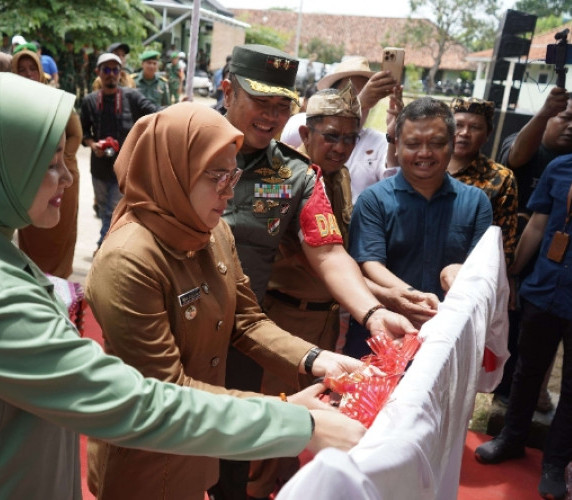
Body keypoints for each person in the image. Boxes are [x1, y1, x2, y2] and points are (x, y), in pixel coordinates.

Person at [0, 62, 363, 500]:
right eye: (45, 164)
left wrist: (310, 365)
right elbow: (135, 401)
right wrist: (295, 423)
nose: (68, 177)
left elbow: (243, 320)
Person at [86, 101, 367, 500]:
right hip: (146, 460)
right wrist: (292, 416)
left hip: (200, 449)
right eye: (216, 176)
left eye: (232, 174)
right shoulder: (128, 260)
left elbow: (247, 320)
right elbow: (166, 392)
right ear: (173, 172)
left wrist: (316, 359)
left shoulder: (211, 231)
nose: (230, 191)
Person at [211, 43, 417, 500]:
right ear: (228, 91)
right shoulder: (182, 141)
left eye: (280, 105)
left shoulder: (298, 176)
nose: (270, 115)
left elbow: (327, 251)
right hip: (172, 328)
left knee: (235, 458)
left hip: (244, 335)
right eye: (260, 101)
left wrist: (371, 314)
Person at [248, 85, 362, 499]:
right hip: (284, 316)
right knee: (276, 411)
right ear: (307, 132)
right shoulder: (280, 175)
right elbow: (292, 248)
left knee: (308, 414)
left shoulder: (340, 177)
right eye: (332, 136)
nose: (341, 147)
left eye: (351, 137)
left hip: (325, 319)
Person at [344, 97, 493, 358]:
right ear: (398, 145)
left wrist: (460, 272)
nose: (424, 153)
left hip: (445, 341)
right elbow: (369, 263)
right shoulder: (374, 200)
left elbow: (480, 271)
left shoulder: (476, 202)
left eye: (436, 143)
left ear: (451, 144)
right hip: (380, 335)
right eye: (413, 144)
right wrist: (411, 296)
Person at [474, 151, 572, 500]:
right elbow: (537, 224)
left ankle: (555, 463)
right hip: (544, 289)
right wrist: (512, 275)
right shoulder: (559, 168)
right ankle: (511, 439)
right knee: (526, 370)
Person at [494, 88, 572, 408]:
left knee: (545, 328)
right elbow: (515, 158)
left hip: (553, 262)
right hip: (515, 247)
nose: (571, 127)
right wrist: (543, 113)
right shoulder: (526, 140)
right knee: (510, 324)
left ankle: (535, 392)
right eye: (565, 118)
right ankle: (503, 389)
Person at [12, 47, 82, 278]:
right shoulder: (12, 102)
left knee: (60, 227)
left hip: (62, 175)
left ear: (41, 70)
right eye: (21, 70)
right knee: (31, 227)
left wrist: (59, 160)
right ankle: (32, 276)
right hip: (29, 178)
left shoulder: (58, 98)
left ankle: (61, 277)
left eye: (32, 68)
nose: (28, 73)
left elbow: (76, 134)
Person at [80, 52, 157, 247]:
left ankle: (102, 247)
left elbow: (154, 112)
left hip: (123, 168)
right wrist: (92, 144)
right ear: (98, 72)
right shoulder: (90, 101)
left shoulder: (131, 97)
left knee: (112, 210)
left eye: (115, 69)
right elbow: (83, 133)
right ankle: (110, 241)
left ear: (120, 73)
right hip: (98, 167)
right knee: (104, 208)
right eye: (106, 69)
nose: (111, 74)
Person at [316, 56, 400, 203]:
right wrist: (358, 103)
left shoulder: (380, 141)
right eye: (351, 95)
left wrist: (394, 137)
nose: (364, 101)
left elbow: (393, 186)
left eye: (369, 95)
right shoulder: (310, 130)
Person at [448, 97, 518, 266]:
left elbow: (504, 242)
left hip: (471, 270)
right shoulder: (426, 165)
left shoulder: (501, 178)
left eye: (475, 127)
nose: (464, 133)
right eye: (458, 125)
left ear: (487, 134)